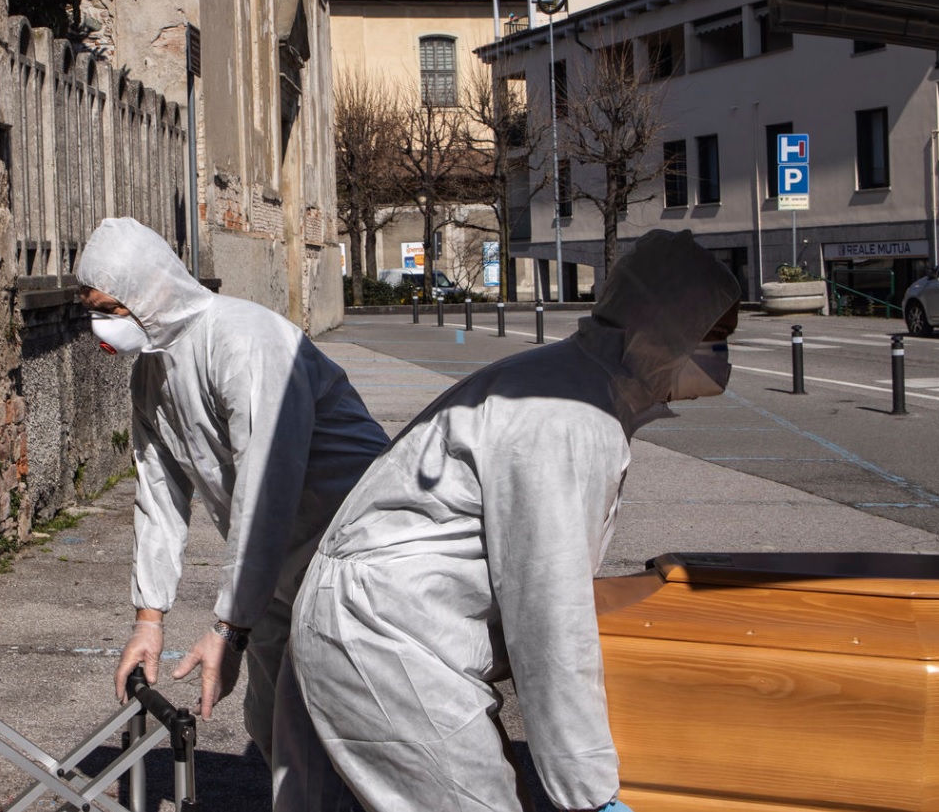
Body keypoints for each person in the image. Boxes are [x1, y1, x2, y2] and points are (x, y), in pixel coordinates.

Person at [292, 229, 740, 812]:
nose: (721, 358)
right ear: (665, 331)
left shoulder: (576, 388)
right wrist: (587, 792)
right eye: (713, 339)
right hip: (388, 639)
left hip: (401, 630)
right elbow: (549, 610)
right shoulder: (566, 419)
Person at [75, 217, 389, 811]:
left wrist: (228, 627)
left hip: (363, 558)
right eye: (93, 309)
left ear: (149, 289)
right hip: (276, 572)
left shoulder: (243, 338)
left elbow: (266, 486)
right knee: (275, 725)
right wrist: (150, 620)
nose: (102, 327)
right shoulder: (153, 371)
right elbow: (159, 495)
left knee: (375, 727)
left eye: (111, 308)